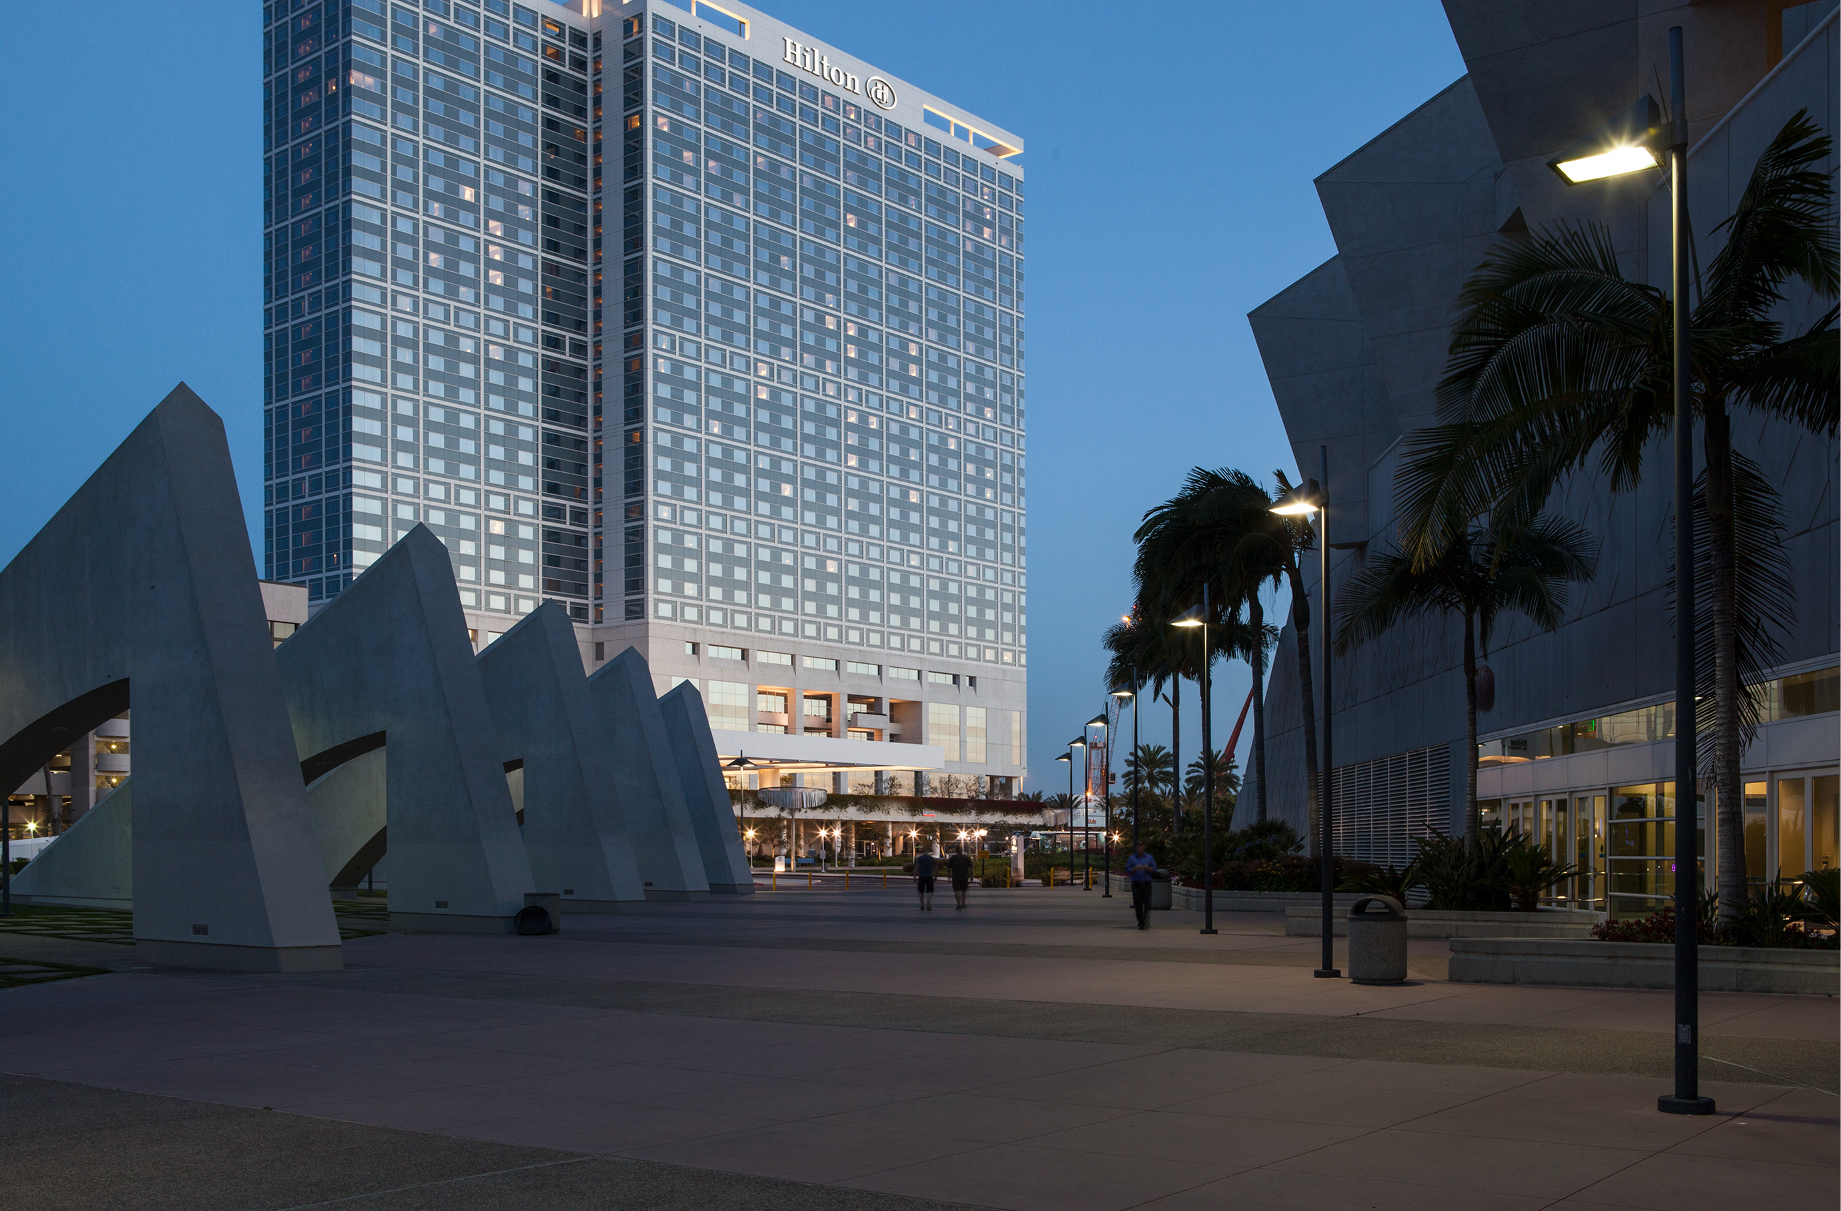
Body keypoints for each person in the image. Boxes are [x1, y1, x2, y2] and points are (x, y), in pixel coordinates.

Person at [1125, 842, 1158, 930]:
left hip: (1146, 883)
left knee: (1147, 902)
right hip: (1136, 883)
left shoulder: (1149, 857)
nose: (1140, 849)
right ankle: (1140, 922)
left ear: (1144, 848)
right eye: (1139, 848)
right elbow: (1127, 869)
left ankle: (1145, 919)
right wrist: (1134, 869)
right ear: (1136, 848)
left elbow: (1154, 869)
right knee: (1138, 903)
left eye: (1142, 848)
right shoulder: (1132, 858)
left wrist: (1148, 868)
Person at [946, 845, 974, 910]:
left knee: (957, 890)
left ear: (956, 850)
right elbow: (971, 867)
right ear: (962, 850)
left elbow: (948, 867)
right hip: (964, 876)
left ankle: (958, 904)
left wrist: (948, 875)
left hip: (955, 876)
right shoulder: (966, 858)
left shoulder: (952, 858)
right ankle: (963, 903)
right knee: (964, 890)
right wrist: (971, 876)